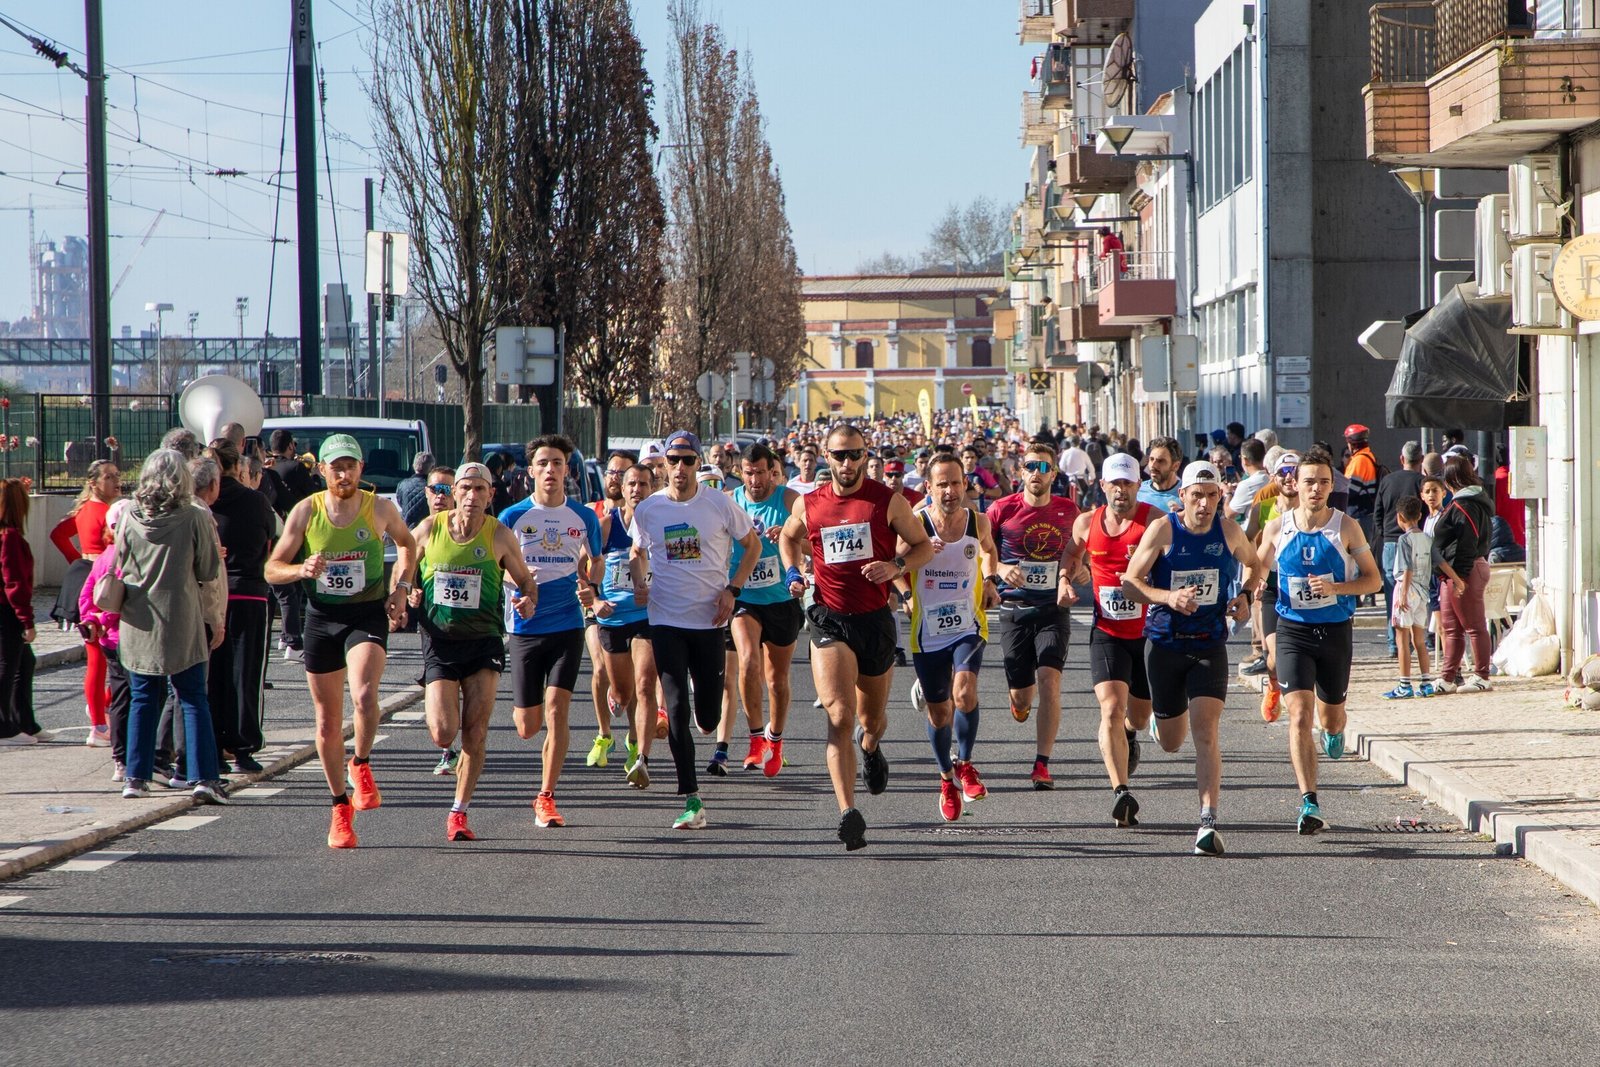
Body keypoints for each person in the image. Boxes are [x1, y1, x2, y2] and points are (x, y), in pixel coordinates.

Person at [780, 423, 935, 850]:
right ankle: (848, 812)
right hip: (829, 618)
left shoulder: (888, 502)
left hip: (875, 622)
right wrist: (794, 572)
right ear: (825, 458)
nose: (846, 463)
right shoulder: (810, 504)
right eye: (838, 455)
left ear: (867, 456)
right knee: (839, 715)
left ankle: (871, 748)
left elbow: (923, 546)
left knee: (871, 720)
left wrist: (895, 568)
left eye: (854, 455)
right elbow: (788, 541)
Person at [265, 434, 416, 849]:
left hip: (366, 613)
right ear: (323, 470)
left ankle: (362, 762)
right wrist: (301, 570)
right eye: (336, 466)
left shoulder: (380, 509)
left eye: (351, 466)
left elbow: (408, 544)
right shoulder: (305, 512)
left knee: (366, 694)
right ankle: (339, 807)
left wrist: (400, 587)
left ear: (361, 469)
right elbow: (272, 568)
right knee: (328, 722)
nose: (344, 473)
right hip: (322, 618)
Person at [1121, 461, 1263, 856]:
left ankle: (1208, 820)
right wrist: (1168, 597)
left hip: (1208, 644)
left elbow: (1254, 564)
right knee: (1171, 742)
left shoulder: (1229, 530)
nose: (1204, 504)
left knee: (1206, 733)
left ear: (1221, 497)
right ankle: (1144, 726)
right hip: (1165, 644)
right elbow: (1130, 582)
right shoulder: (1164, 529)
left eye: (1212, 495)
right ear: (1181, 496)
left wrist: (1245, 596)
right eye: (1196, 495)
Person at [629, 430, 762, 830]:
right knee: (676, 709)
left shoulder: (718, 503)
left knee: (706, 713)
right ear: (663, 465)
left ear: (697, 462)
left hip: (709, 621)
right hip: (666, 620)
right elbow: (636, 552)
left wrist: (733, 589)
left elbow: (752, 546)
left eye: (689, 460)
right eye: (674, 460)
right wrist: (640, 583)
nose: (681, 467)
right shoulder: (649, 509)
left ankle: (707, 720)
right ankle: (691, 798)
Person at [408, 462, 538, 841]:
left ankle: (459, 812)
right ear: (453, 493)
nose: (472, 496)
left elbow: (526, 580)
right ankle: (439, 710)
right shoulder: (432, 528)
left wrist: (527, 600)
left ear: (490, 495)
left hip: (483, 641)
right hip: (439, 640)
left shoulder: (499, 535)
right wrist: (407, 587)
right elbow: (405, 560)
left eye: (480, 489)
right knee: (442, 733)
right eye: (465, 488)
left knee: (475, 732)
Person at [1260, 446, 1383, 835]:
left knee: (1331, 716)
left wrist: (1337, 587)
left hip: (1334, 631)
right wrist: (1243, 599)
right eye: (1309, 482)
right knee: (1299, 714)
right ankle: (1309, 801)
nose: (1316, 489)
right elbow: (1258, 569)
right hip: (1292, 630)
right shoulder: (1278, 527)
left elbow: (1374, 580)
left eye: (1324, 482)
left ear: (1332, 486)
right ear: (1295, 485)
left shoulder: (1346, 527)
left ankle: (1334, 730)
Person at [498, 434, 602, 829]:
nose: (551, 470)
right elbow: (499, 568)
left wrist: (590, 584)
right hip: (525, 626)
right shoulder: (511, 518)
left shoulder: (584, 518)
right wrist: (517, 593)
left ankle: (546, 796)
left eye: (557, 463)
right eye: (543, 463)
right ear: (531, 472)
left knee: (558, 710)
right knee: (528, 726)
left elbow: (597, 563)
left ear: (567, 470)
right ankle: (529, 726)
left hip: (568, 624)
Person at [116, 450, 230, 805]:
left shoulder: (128, 515)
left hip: (138, 618)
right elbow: (208, 569)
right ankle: (203, 777)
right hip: (182, 614)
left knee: (143, 697)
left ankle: (135, 776)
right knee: (193, 697)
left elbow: (119, 560)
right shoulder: (194, 516)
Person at [897, 454, 999, 822]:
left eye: (956, 483)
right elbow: (894, 566)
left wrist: (989, 581)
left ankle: (967, 764)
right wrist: (908, 589)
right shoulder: (915, 524)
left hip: (968, 625)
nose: (951, 491)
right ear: (929, 487)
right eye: (942, 484)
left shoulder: (978, 521)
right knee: (940, 713)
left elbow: (989, 552)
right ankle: (945, 779)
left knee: (964, 692)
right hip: (927, 632)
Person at [984, 442, 1083, 788]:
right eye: (1031, 466)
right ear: (1020, 472)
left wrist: (1080, 572)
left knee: (1050, 682)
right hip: (1014, 609)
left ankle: (1042, 763)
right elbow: (983, 552)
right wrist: (999, 568)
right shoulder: (1001, 509)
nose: (1037, 473)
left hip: (1053, 609)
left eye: (1044, 467)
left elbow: (1081, 553)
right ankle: (1019, 704)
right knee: (1022, 696)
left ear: (1054, 474)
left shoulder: (1070, 510)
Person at [1072, 453, 1156, 828]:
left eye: (1128, 483)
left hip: (1148, 634)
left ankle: (1129, 733)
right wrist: (1065, 578)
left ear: (1139, 485)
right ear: (1102, 485)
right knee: (1109, 707)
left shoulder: (1154, 522)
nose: (1121, 490)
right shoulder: (1087, 523)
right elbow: (1071, 553)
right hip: (1107, 631)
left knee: (1138, 715)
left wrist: (1150, 570)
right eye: (1114, 483)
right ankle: (1121, 792)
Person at [727, 444, 803, 776]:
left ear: (772, 470)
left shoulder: (789, 500)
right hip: (745, 597)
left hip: (781, 599)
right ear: (740, 472)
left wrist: (790, 536)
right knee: (747, 661)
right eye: (749, 472)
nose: (755, 479)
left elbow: (816, 540)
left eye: (761, 472)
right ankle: (756, 738)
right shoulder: (731, 502)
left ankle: (776, 738)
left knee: (777, 680)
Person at [204, 440, 276, 774]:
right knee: (247, 674)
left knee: (214, 673)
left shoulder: (204, 505)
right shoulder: (256, 501)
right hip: (250, 592)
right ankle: (245, 745)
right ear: (240, 468)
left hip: (213, 596)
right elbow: (268, 540)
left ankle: (214, 743)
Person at [594, 464, 664, 788]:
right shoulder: (607, 526)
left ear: (653, 488)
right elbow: (584, 568)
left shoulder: (661, 522)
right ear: (621, 490)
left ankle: (642, 758)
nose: (637, 489)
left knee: (646, 683)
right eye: (632, 484)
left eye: (644, 484)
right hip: (612, 618)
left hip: (647, 616)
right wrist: (594, 600)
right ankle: (616, 697)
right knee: (624, 693)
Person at [49, 459, 121, 748]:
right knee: (104, 657)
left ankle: (99, 713)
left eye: (117, 475)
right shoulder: (106, 512)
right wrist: (86, 562)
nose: (117, 481)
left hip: (88, 582)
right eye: (109, 477)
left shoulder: (84, 510)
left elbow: (58, 534)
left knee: (98, 656)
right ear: (94, 483)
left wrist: (77, 562)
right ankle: (99, 721)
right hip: (103, 587)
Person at [579, 452, 636, 769]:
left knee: (634, 676)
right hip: (599, 605)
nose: (614, 477)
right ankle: (603, 734)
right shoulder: (595, 514)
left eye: (621, 472)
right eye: (611, 472)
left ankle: (633, 737)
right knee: (601, 668)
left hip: (636, 609)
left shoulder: (646, 515)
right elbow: (580, 562)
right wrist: (592, 595)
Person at [411, 465, 463, 776]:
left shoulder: (470, 526)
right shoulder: (422, 528)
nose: (440, 496)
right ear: (427, 492)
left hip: (472, 623)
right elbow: (406, 568)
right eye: (435, 490)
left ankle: (467, 743)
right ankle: (448, 749)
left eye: (446, 490)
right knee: (441, 684)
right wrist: (410, 592)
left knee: (464, 685)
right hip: (432, 621)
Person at [1433, 454, 1495, 693]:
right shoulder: (1468, 501)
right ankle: (1448, 677)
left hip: (1463, 570)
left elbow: (1467, 542)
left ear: (1450, 480)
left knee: (1473, 625)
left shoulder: (1465, 504)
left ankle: (1481, 675)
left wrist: (1459, 578)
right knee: (1451, 627)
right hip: (1456, 572)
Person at [1374, 441, 1425, 658]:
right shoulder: (1423, 482)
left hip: (1390, 542)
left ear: (1401, 459)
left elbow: (1377, 511)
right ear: (1420, 460)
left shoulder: (1387, 480)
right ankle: (1418, 641)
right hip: (1415, 542)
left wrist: (1385, 534)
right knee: (1418, 592)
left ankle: (1394, 643)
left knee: (1392, 593)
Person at [0, 480, 40, 746]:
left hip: (6, 608)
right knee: (8, 666)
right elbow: (14, 581)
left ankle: (24, 721)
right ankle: (4, 728)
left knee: (24, 663)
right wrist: (26, 620)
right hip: (7, 610)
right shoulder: (10, 537)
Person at [269, 429, 314, 660]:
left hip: (274, 533)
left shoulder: (269, 469)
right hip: (292, 530)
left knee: (279, 590)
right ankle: (292, 641)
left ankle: (284, 636)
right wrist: (314, 475)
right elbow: (311, 495)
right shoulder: (296, 468)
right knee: (292, 588)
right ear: (290, 446)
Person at [1385, 497, 1437, 699]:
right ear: (1420, 516)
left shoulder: (1403, 539)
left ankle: (1404, 684)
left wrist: (1403, 595)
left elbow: (1406, 568)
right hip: (1423, 592)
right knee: (1420, 640)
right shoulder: (1426, 538)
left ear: (1399, 517)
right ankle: (1426, 682)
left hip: (1406, 589)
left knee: (1401, 639)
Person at [1136, 437, 1183, 513]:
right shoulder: (1138, 491)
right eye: (1151, 459)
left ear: (1175, 466)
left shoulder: (1186, 494)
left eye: (1160, 461)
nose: (1153, 465)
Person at [395, 451, 434, 528]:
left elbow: (400, 502)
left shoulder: (402, 484)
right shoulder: (432, 487)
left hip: (407, 529)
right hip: (427, 529)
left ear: (413, 466)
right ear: (432, 468)